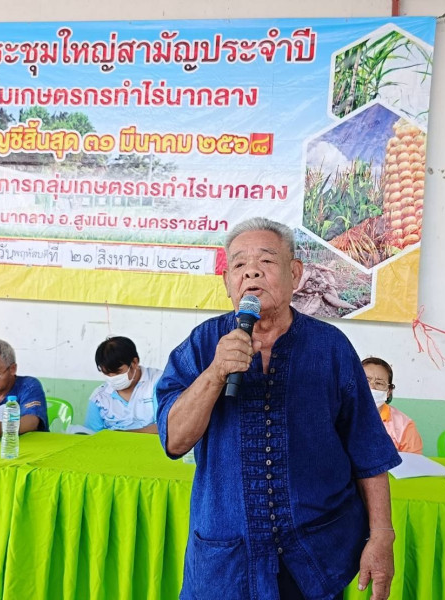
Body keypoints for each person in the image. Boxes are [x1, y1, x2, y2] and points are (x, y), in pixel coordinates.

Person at [156, 217, 401, 600]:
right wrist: (216, 373)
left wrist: (382, 536)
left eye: (266, 261)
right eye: (239, 264)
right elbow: (173, 441)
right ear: (227, 283)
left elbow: (368, 451)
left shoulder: (331, 348)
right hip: (227, 563)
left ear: (295, 274)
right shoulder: (203, 345)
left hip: (315, 558)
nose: (251, 271)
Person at [85, 336, 162, 433]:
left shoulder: (159, 383)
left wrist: (126, 435)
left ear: (134, 363)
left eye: (118, 372)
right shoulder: (99, 398)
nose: (112, 378)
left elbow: (166, 426)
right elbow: (90, 435)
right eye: (107, 374)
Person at [362, 357, 423, 455]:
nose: (372, 387)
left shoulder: (404, 425)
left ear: (388, 391)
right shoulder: (340, 416)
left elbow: (414, 461)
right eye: (365, 381)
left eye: (379, 383)